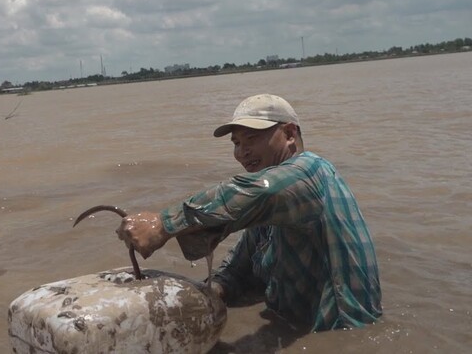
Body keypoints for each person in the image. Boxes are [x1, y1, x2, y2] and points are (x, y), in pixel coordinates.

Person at [116, 94, 382, 331]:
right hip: (292, 323)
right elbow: (240, 269)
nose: (242, 153)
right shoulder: (269, 208)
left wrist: (163, 224)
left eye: (251, 139)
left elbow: (255, 192)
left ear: (290, 134)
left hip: (337, 332)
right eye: (236, 143)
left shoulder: (309, 173)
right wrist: (211, 292)